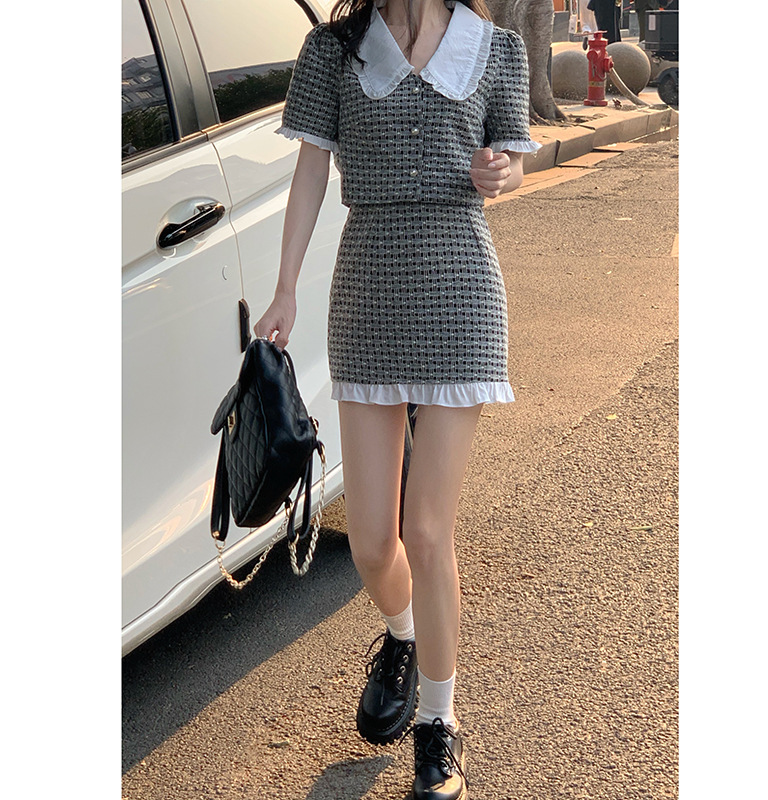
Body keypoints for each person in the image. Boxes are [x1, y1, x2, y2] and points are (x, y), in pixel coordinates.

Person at [253, 1, 539, 797]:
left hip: (461, 289)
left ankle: (438, 725)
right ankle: (401, 635)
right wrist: (285, 288)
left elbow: (515, 157)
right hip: (369, 293)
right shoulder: (331, 50)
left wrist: (502, 173)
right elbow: (312, 170)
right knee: (375, 544)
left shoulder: (496, 49)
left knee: (427, 529)